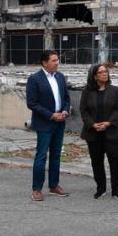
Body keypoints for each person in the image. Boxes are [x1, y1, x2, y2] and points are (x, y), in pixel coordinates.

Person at [25, 50, 71, 201]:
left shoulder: (60, 77)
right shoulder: (34, 79)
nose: (57, 63)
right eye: (54, 60)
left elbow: (66, 98)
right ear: (44, 62)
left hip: (60, 122)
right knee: (41, 156)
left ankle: (54, 185)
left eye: (58, 60)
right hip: (45, 123)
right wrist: (51, 115)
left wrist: (64, 110)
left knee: (56, 155)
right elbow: (32, 103)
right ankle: (37, 189)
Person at [79, 63, 118, 200]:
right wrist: (92, 124)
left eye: (106, 71)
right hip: (93, 133)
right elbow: (83, 110)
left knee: (115, 161)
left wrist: (109, 123)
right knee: (96, 161)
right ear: (94, 76)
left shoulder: (114, 90)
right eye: (101, 72)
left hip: (111, 132)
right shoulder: (87, 91)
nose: (105, 74)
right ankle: (101, 188)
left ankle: (116, 190)